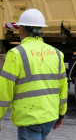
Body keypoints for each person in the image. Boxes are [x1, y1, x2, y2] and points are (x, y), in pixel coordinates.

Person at [0, 9, 68, 140]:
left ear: (22, 31)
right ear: (41, 31)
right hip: (50, 116)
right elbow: (63, 88)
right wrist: (61, 114)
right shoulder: (57, 53)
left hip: (29, 118)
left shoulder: (16, 54)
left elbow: (4, 90)